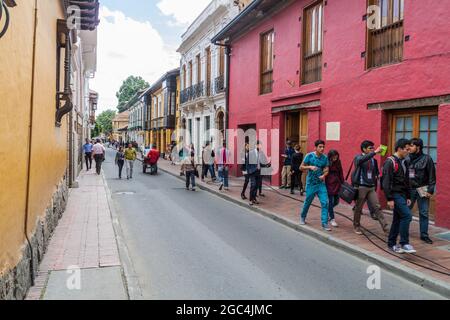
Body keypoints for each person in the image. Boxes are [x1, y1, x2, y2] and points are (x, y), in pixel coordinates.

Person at [382, 138, 416, 254]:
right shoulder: (390, 162)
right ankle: (404, 243)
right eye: (406, 149)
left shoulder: (405, 162)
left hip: (402, 194)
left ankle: (391, 244)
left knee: (397, 219)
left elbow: (407, 180)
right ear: (399, 149)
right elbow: (386, 182)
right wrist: (389, 198)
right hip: (395, 194)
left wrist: (408, 196)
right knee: (407, 216)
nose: (408, 151)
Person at [352, 140, 389, 235]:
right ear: (364, 149)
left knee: (377, 207)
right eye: (370, 148)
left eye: (373, 148)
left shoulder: (373, 160)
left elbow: (375, 172)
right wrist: (375, 152)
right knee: (358, 208)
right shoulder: (358, 158)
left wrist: (377, 175)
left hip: (371, 187)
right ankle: (356, 226)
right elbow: (360, 161)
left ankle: (386, 228)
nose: (372, 149)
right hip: (361, 187)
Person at [408, 138, 436, 244]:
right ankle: (402, 231)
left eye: (411, 146)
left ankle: (424, 235)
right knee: (406, 211)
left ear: (418, 147)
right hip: (410, 189)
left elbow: (432, 176)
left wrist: (430, 190)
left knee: (424, 213)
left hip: (423, 188)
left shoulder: (427, 159)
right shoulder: (407, 159)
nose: (409, 148)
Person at [300, 140, 331, 231]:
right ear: (315, 147)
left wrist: (324, 175)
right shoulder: (309, 156)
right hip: (311, 184)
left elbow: (326, 169)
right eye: (320, 147)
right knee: (308, 202)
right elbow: (301, 167)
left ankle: (324, 223)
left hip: (321, 184)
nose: (322, 148)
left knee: (325, 202)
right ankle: (303, 217)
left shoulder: (325, 158)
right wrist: (309, 167)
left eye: (323, 147)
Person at [325, 150, 344, 228]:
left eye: (336, 156)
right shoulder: (327, 162)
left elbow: (341, 172)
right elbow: (325, 172)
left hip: (337, 183)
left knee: (336, 202)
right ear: (330, 156)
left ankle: (327, 211)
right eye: (334, 156)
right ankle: (332, 218)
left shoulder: (338, 162)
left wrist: (342, 182)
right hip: (329, 183)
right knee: (331, 201)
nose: (335, 158)